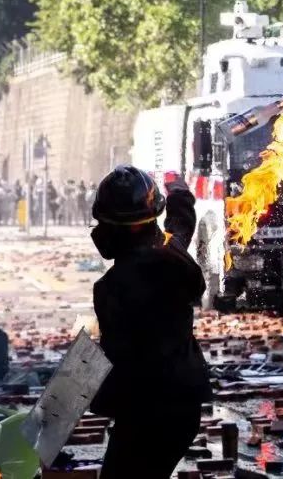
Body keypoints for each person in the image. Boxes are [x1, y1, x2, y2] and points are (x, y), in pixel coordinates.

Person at [89, 165, 212, 479]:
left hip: (147, 411)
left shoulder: (113, 288)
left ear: (114, 230)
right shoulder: (171, 256)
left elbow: (118, 361)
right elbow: (180, 226)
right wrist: (180, 193)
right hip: (183, 406)